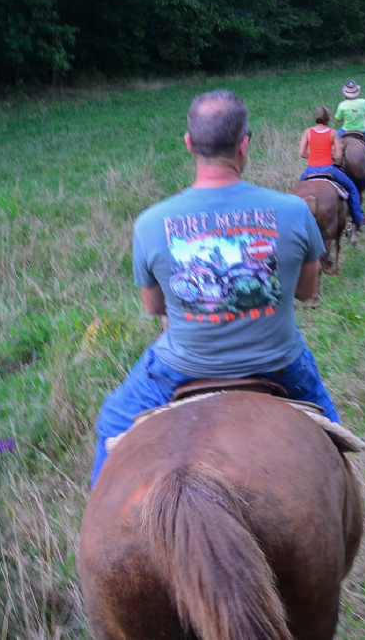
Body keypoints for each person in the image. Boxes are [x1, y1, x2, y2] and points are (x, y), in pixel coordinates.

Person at [91, 90, 341, 487]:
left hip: (181, 367)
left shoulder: (151, 223)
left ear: (190, 145)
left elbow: (155, 306)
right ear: (244, 145)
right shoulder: (293, 211)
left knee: (112, 422)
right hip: (278, 363)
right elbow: (307, 293)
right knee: (332, 437)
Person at [298, 106, 365, 227]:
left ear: (316, 117)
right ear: (328, 119)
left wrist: (314, 155)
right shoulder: (333, 133)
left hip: (310, 169)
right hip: (329, 169)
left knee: (298, 191)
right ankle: (358, 218)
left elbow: (302, 153)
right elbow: (338, 155)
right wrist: (328, 155)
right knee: (352, 188)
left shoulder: (308, 132)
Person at [335, 81, 365, 179]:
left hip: (345, 130)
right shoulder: (364, 102)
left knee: (332, 145)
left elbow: (337, 120)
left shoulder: (342, 105)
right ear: (357, 92)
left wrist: (344, 118)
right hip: (362, 130)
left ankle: (329, 167)